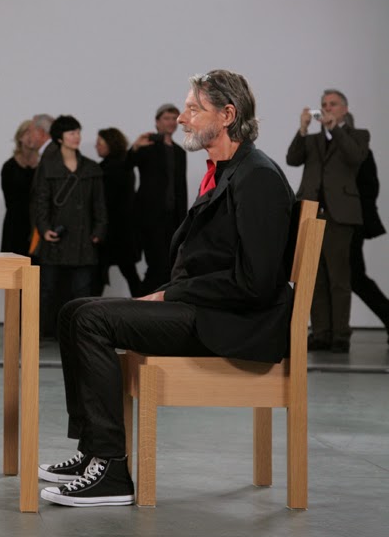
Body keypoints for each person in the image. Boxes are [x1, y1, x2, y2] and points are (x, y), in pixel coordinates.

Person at [38, 69, 295, 507]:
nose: (183, 118)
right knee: (73, 310)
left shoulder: (259, 178)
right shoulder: (229, 171)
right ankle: (93, 451)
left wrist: (170, 295)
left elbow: (258, 282)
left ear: (228, 115)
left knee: (92, 320)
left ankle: (113, 473)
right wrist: (168, 291)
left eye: (195, 109)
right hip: (209, 310)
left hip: (232, 324)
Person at [287, 89, 370, 353]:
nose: (327, 108)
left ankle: (340, 335)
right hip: (311, 211)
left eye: (333, 104)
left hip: (339, 215)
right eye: (324, 104)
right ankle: (320, 333)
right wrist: (302, 129)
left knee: (338, 277)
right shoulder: (312, 140)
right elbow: (292, 159)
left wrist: (336, 131)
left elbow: (356, 157)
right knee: (314, 278)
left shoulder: (357, 135)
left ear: (344, 109)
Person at [30, 115, 107, 340]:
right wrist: (44, 229)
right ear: (60, 138)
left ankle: (79, 335)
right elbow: (40, 202)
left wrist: (99, 231)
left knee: (82, 291)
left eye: (78, 132)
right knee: (47, 290)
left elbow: (99, 204)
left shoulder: (90, 168)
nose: (77, 137)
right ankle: (40, 334)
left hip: (84, 240)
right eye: (72, 133)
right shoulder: (48, 168)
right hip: (56, 239)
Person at [128, 103, 188, 294]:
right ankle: (142, 303)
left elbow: (181, 188)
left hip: (173, 219)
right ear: (157, 122)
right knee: (157, 264)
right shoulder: (148, 146)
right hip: (150, 217)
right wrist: (135, 148)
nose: (171, 122)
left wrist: (184, 221)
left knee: (168, 265)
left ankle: (150, 306)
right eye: (166, 118)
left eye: (174, 118)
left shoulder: (180, 152)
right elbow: (127, 165)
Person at [94, 127, 141, 297]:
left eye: (100, 143)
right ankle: (144, 309)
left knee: (99, 276)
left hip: (113, 231)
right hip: (123, 230)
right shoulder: (122, 165)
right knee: (129, 273)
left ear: (110, 144)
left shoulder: (110, 168)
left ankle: (87, 313)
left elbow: (105, 201)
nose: (96, 146)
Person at [352, 147, 389, 344]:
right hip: (334, 222)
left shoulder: (358, 145)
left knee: (355, 278)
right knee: (350, 279)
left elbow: (369, 188)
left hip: (353, 224)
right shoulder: (321, 144)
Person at [0, 119, 40, 256]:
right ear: (19, 137)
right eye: (26, 132)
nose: (30, 137)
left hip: (37, 225)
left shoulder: (45, 166)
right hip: (15, 224)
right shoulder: (9, 167)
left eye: (33, 133)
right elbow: (9, 200)